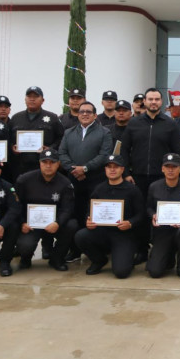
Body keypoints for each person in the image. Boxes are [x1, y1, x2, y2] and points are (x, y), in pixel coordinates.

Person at [120, 88, 180, 263]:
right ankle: (141, 249)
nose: (153, 102)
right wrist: (126, 173)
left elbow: (177, 152)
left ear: (161, 102)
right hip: (137, 177)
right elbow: (124, 149)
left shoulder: (170, 124)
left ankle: (163, 250)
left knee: (160, 214)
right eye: (150, 99)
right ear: (144, 102)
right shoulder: (134, 123)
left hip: (162, 179)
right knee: (140, 213)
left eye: (156, 99)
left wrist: (172, 177)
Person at [58, 100, 113, 260]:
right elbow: (62, 154)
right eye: (82, 111)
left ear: (95, 115)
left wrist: (86, 168)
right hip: (73, 180)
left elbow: (104, 155)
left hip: (95, 181)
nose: (84, 114)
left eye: (88, 112)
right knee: (75, 214)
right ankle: (75, 250)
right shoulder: (69, 132)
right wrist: (73, 169)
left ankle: (97, 250)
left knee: (94, 216)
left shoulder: (104, 132)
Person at [75, 154, 146, 278]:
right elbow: (89, 211)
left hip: (124, 234)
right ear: (105, 169)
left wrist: (130, 223)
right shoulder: (99, 189)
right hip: (102, 232)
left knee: (121, 272)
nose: (112, 170)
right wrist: (89, 221)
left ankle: (126, 256)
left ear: (122, 170)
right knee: (81, 236)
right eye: (109, 167)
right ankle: (99, 260)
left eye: (116, 167)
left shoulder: (132, 190)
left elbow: (142, 214)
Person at [15, 149, 77, 271]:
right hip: (30, 225)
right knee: (25, 246)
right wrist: (22, 222)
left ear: (58, 164)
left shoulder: (65, 183)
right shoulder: (24, 180)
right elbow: (16, 206)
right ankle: (25, 258)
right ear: (40, 163)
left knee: (71, 225)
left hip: (53, 223)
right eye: (45, 162)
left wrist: (57, 223)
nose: (48, 165)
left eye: (52, 162)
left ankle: (57, 258)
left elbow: (67, 209)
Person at [145, 153, 180, 280]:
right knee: (154, 272)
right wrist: (153, 215)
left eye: (174, 167)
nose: (171, 170)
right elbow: (148, 207)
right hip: (162, 231)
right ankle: (168, 256)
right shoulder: (154, 187)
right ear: (162, 168)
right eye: (167, 166)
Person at [9, 86, 65, 177]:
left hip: (44, 166)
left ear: (43, 100)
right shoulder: (16, 118)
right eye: (29, 97)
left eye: (35, 97)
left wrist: (51, 148)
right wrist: (12, 147)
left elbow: (62, 137)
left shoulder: (52, 118)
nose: (32, 99)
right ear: (25, 99)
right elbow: (8, 138)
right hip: (20, 167)